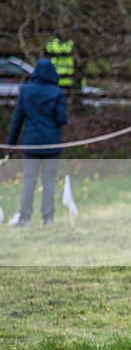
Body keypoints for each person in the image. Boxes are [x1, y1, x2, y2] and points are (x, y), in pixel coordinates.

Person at [6, 58, 68, 227]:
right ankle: (48, 218)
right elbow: (62, 119)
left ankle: (25, 218)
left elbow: (17, 121)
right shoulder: (57, 93)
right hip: (52, 144)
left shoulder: (26, 91)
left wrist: (9, 146)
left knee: (29, 180)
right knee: (49, 181)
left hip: (31, 144)